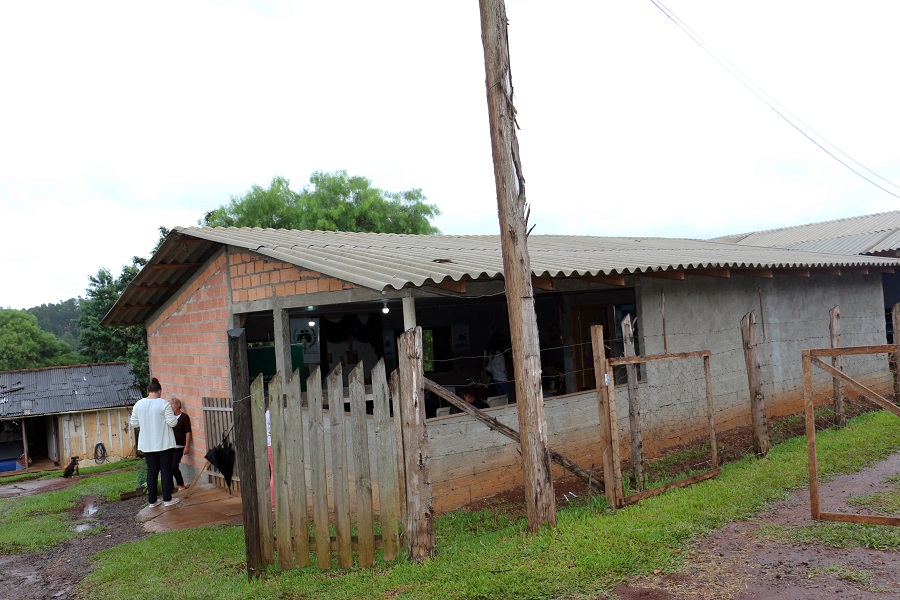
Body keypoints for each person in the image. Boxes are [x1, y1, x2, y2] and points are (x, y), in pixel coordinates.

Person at [130, 378, 179, 508]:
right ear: (159, 391)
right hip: (164, 443)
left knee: (152, 471)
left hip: (148, 444)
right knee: (165, 470)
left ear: (148, 391)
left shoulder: (138, 404)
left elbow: (134, 423)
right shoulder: (164, 403)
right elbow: (172, 423)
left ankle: (152, 501)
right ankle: (167, 499)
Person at [169, 397, 192, 492]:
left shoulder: (184, 417)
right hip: (169, 446)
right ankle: (170, 488)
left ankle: (181, 484)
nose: (170, 406)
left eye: (172, 403)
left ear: (178, 405)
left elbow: (188, 432)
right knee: (167, 467)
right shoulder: (170, 418)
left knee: (174, 466)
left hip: (179, 446)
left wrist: (187, 446)